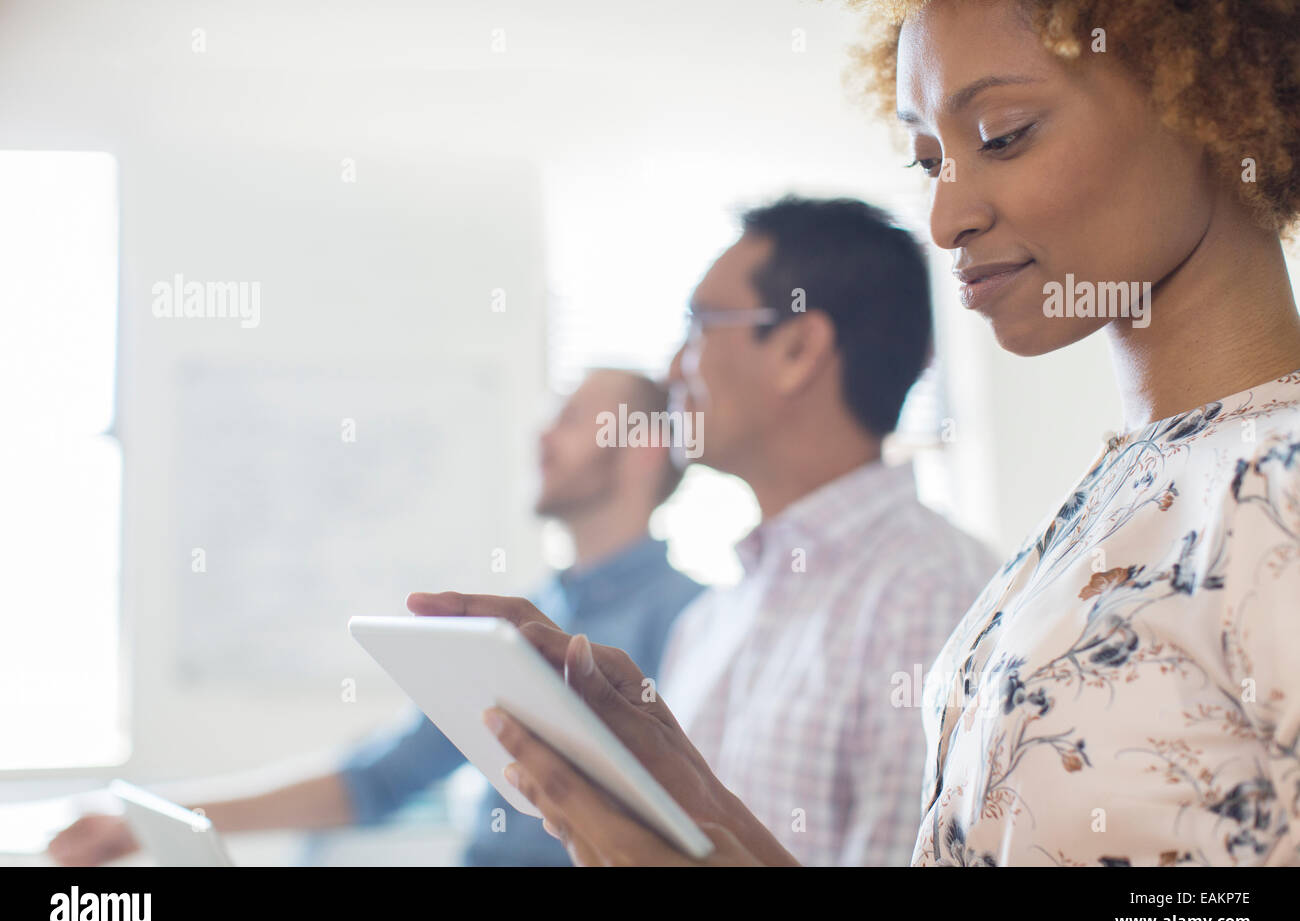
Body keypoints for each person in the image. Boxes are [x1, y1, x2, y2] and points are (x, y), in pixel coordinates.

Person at [410, 0, 1300, 867]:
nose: (947, 220)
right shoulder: (1109, 509)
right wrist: (689, 799)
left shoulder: (1279, 476)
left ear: (1209, 102)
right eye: (927, 162)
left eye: (1004, 133)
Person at [47, 368, 703, 867]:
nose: (541, 433)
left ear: (642, 447)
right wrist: (148, 820)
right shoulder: (537, 615)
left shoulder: (693, 622)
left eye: (569, 416)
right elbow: (379, 778)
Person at [656, 196, 997, 864]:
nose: (673, 369)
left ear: (797, 348)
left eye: (701, 325)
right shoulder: (709, 619)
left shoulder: (931, 598)